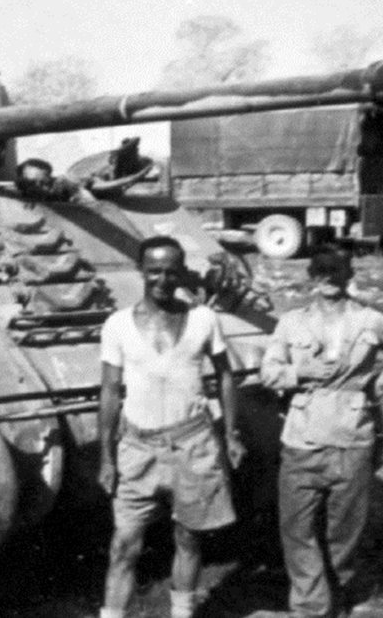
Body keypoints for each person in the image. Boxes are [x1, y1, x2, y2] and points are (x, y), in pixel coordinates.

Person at [260, 247, 383, 618]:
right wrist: (299, 373)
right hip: (302, 438)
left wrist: (372, 390)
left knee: (344, 529)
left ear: (349, 275)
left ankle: (336, 592)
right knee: (296, 528)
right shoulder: (291, 322)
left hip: (352, 436)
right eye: (321, 272)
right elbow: (269, 372)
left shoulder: (371, 320)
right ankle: (311, 605)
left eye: (336, 271)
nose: (328, 280)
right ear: (311, 277)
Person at [98, 236, 246, 618]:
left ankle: (182, 612)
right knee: (123, 546)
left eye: (170, 272)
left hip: (192, 444)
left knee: (189, 539)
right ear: (140, 271)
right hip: (137, 448)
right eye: (154, 271)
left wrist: (231, 434)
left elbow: (225, 376)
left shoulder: (203, 319)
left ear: (181, 273)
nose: (162, 280)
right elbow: (110, 391)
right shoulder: (117, 325)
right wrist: (107, 458)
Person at [14, 158, 95, 204]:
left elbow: (90, 204)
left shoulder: (63, 187)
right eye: (31, 183)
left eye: (43, 183)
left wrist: (75, 192)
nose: (38, 187)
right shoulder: (15, 197)